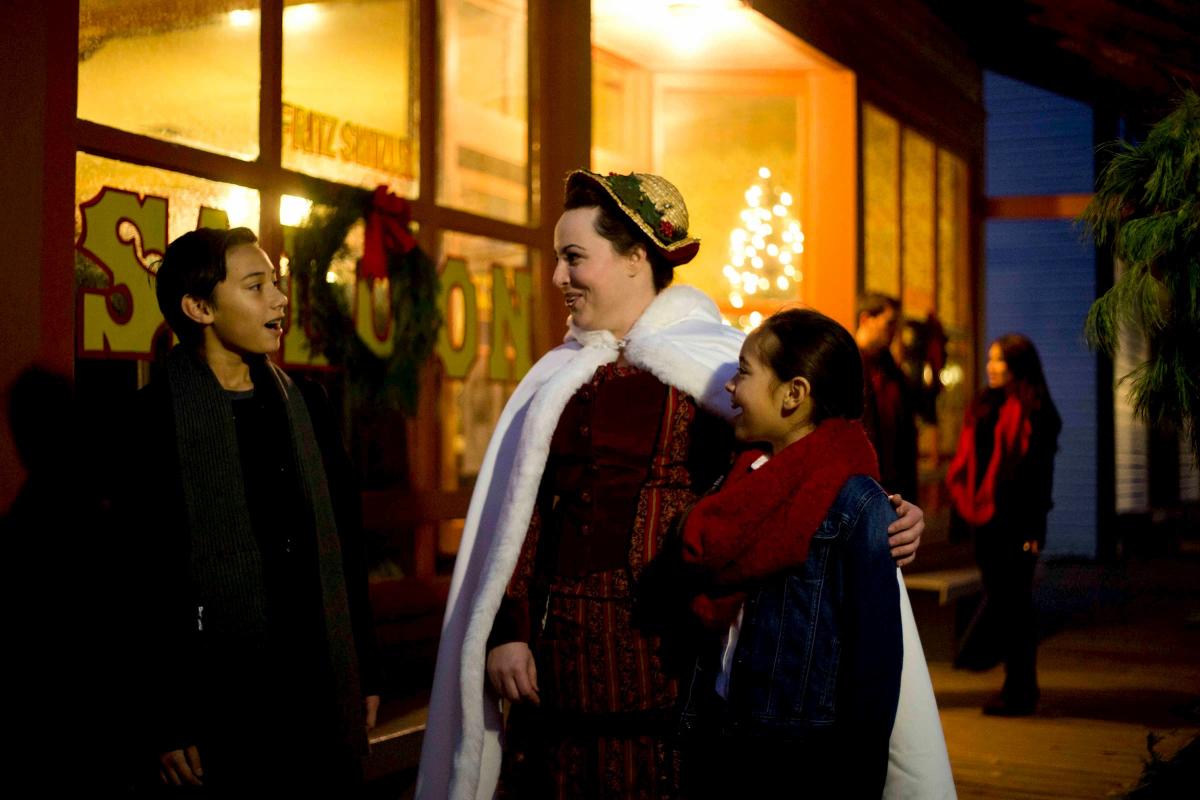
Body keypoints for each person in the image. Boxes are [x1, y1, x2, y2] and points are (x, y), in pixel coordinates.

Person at [415, 170, 936, 800]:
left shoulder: (720, 367)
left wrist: (887, 515)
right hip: (556, 678)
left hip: (675, 681)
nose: (558, 278)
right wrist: (508, 631)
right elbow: (520, 517)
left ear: (636, 257)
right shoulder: (557, 378)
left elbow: (807, 467)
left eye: (574, 258)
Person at [113, 227, 380, 792]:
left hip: (318, 685)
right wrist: (164, 716)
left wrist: (365, 670)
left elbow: (346, 544)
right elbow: (140, 579)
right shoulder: (152, 418)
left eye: (276, 284)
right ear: (199, 307)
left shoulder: (306, 403)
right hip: (221, 702)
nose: (280, 300)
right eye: (256, 287)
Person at [675, 309, 905, 798]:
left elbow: (874, 670)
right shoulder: (739, 481)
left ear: (794, 394)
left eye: (744, 372)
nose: (732, 389)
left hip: (801, 760)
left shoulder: (855, 504)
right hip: (722, 736)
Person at [947, 333, 1061, 716]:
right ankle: (1016, 686)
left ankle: (1020, 689)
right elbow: (970, 459)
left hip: (1018, 523)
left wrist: (1033, 534)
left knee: (1016, 607)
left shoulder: (1037, 410)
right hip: (987, 521)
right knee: (1006, 601)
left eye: (1000, 361)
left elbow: (1039, 479)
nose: (990, 367)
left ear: (1018, 366)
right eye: (990, 359)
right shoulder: (984, 404)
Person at [857, 293, 919, 501]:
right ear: (866, 319)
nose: (894, 332)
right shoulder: (845, 366)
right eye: (890, 323)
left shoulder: (893, 372)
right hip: (862, 484)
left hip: (894, 487)